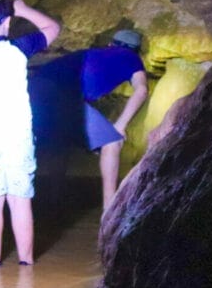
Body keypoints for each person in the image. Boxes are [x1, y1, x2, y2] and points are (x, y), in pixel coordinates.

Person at [0, 0, 60, 266]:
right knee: (20, 200)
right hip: (17, 135)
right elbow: (52, 28)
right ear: (8, 22)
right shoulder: (19, 48)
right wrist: (23, 9)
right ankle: (26, 262)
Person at [30, 29, 149, 211]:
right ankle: (109, 209)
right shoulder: (131, 58)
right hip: (61, 94)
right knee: (112, 142)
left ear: (111, 44)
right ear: (137, 50)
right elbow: (141, 90)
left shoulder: (91, 53)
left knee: (59, 140)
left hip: (32, 90)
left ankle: (53, 198)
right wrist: (120, 125)